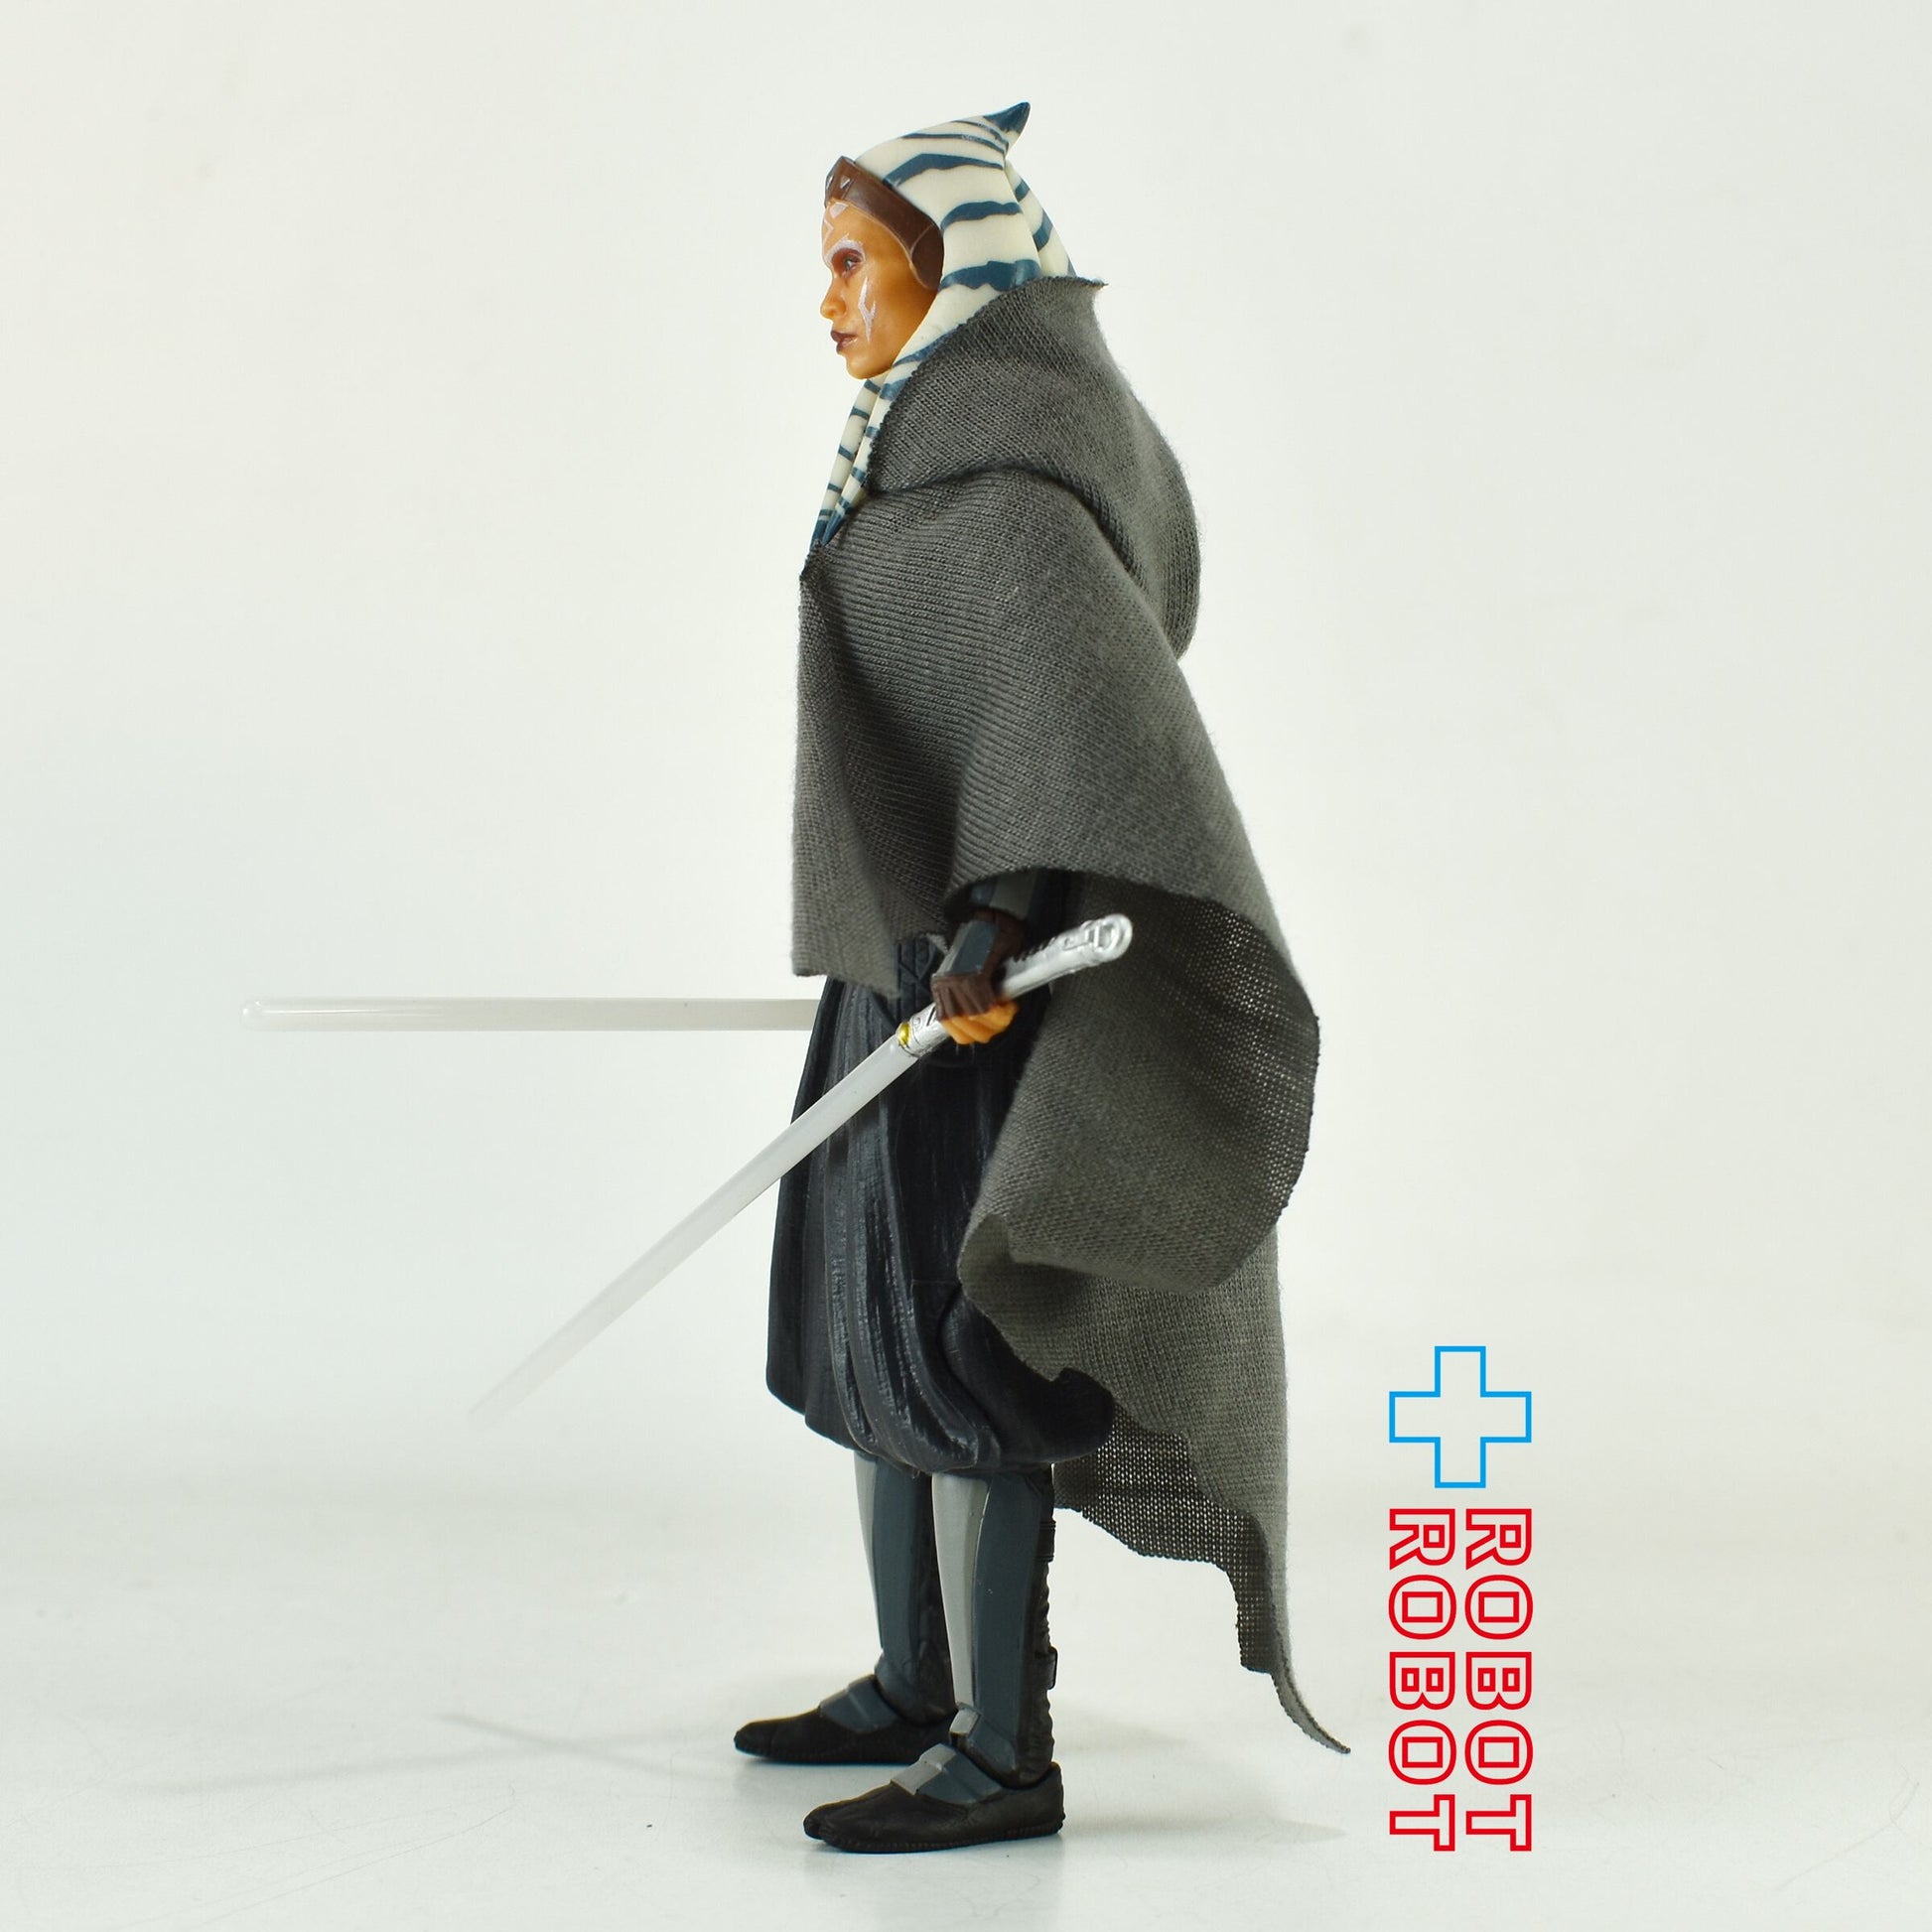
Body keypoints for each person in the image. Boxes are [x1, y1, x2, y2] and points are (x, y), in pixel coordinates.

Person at [745, 103, 1342, 1856]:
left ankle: (1002, 1750)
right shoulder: (904, 465)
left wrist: (996, 926)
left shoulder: (1007, 499)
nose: (830, 302)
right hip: (894, 973)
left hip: (979, 1005)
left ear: (953, 277)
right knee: (864, 1338)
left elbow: (1068, 734)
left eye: (855, 264)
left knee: (962, 1357)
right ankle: (913, 1678)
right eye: (827, 266)